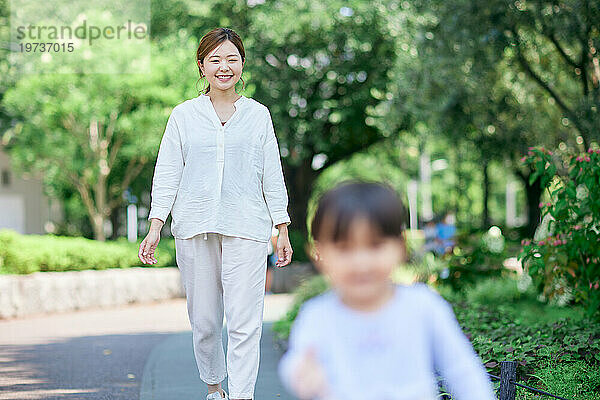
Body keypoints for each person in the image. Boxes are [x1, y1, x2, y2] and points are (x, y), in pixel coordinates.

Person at [138, 27, 293, 400]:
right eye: (215, 60)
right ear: (202, 66)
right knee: (205, 322)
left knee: (244, 322)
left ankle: (241, 396)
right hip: (194, 226)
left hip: (247, 228)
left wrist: (281, 225)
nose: (224, 67)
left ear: (242, 64)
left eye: (232, 59)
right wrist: (156, 224)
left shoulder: (258, 116)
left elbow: (271, 172)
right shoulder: (183, 116)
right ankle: (214, 388)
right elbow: (168, 171)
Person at [277, 181, 495, 400]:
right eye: (344, 248)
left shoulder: (423, 307)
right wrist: (301, 375)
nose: (361, 263)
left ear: (400, 247)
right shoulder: (317, 316)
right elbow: (298, 361)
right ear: (319, 254)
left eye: (375, 245)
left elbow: (463, 372)